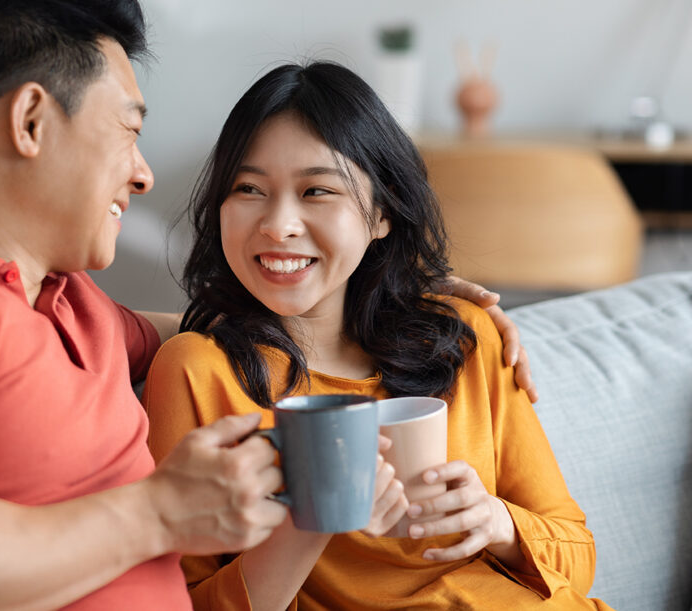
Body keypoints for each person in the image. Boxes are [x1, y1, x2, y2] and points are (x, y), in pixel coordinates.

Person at [0, 2, 533, 609]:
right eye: (129, 131)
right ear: (30, 121)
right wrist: (161, 512)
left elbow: (214, 334)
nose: (145, 174)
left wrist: (393, 295)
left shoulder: (71, 308)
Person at [144, 61, 608, 610]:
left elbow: (579, 560)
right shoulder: (198, 373)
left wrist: (498, 523)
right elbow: (178, 603)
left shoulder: (466, 338)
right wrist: (313, 520)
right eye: (248, 188)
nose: (278, 224)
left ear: (382, 212)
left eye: (317, 190)